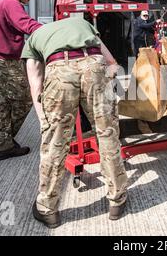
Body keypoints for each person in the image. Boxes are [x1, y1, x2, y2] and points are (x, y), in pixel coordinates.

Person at [22, 17, 128, 228]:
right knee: (107, 134)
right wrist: (106, 85)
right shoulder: (82, 23)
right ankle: (117, 199)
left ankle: (47, 209)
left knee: (55, 143)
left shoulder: (34, 38)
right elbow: (111, 62)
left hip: (59, 69)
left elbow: (36, 82)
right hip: (94, 64)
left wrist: (43, 117)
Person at [0, 0, 42, 161]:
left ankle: (3, 141)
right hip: (4, 60)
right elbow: (26, 24)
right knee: (25, 98)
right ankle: (5, 138)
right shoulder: (12, 4)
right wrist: (49, 31)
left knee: (5, 100)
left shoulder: (1, 4)